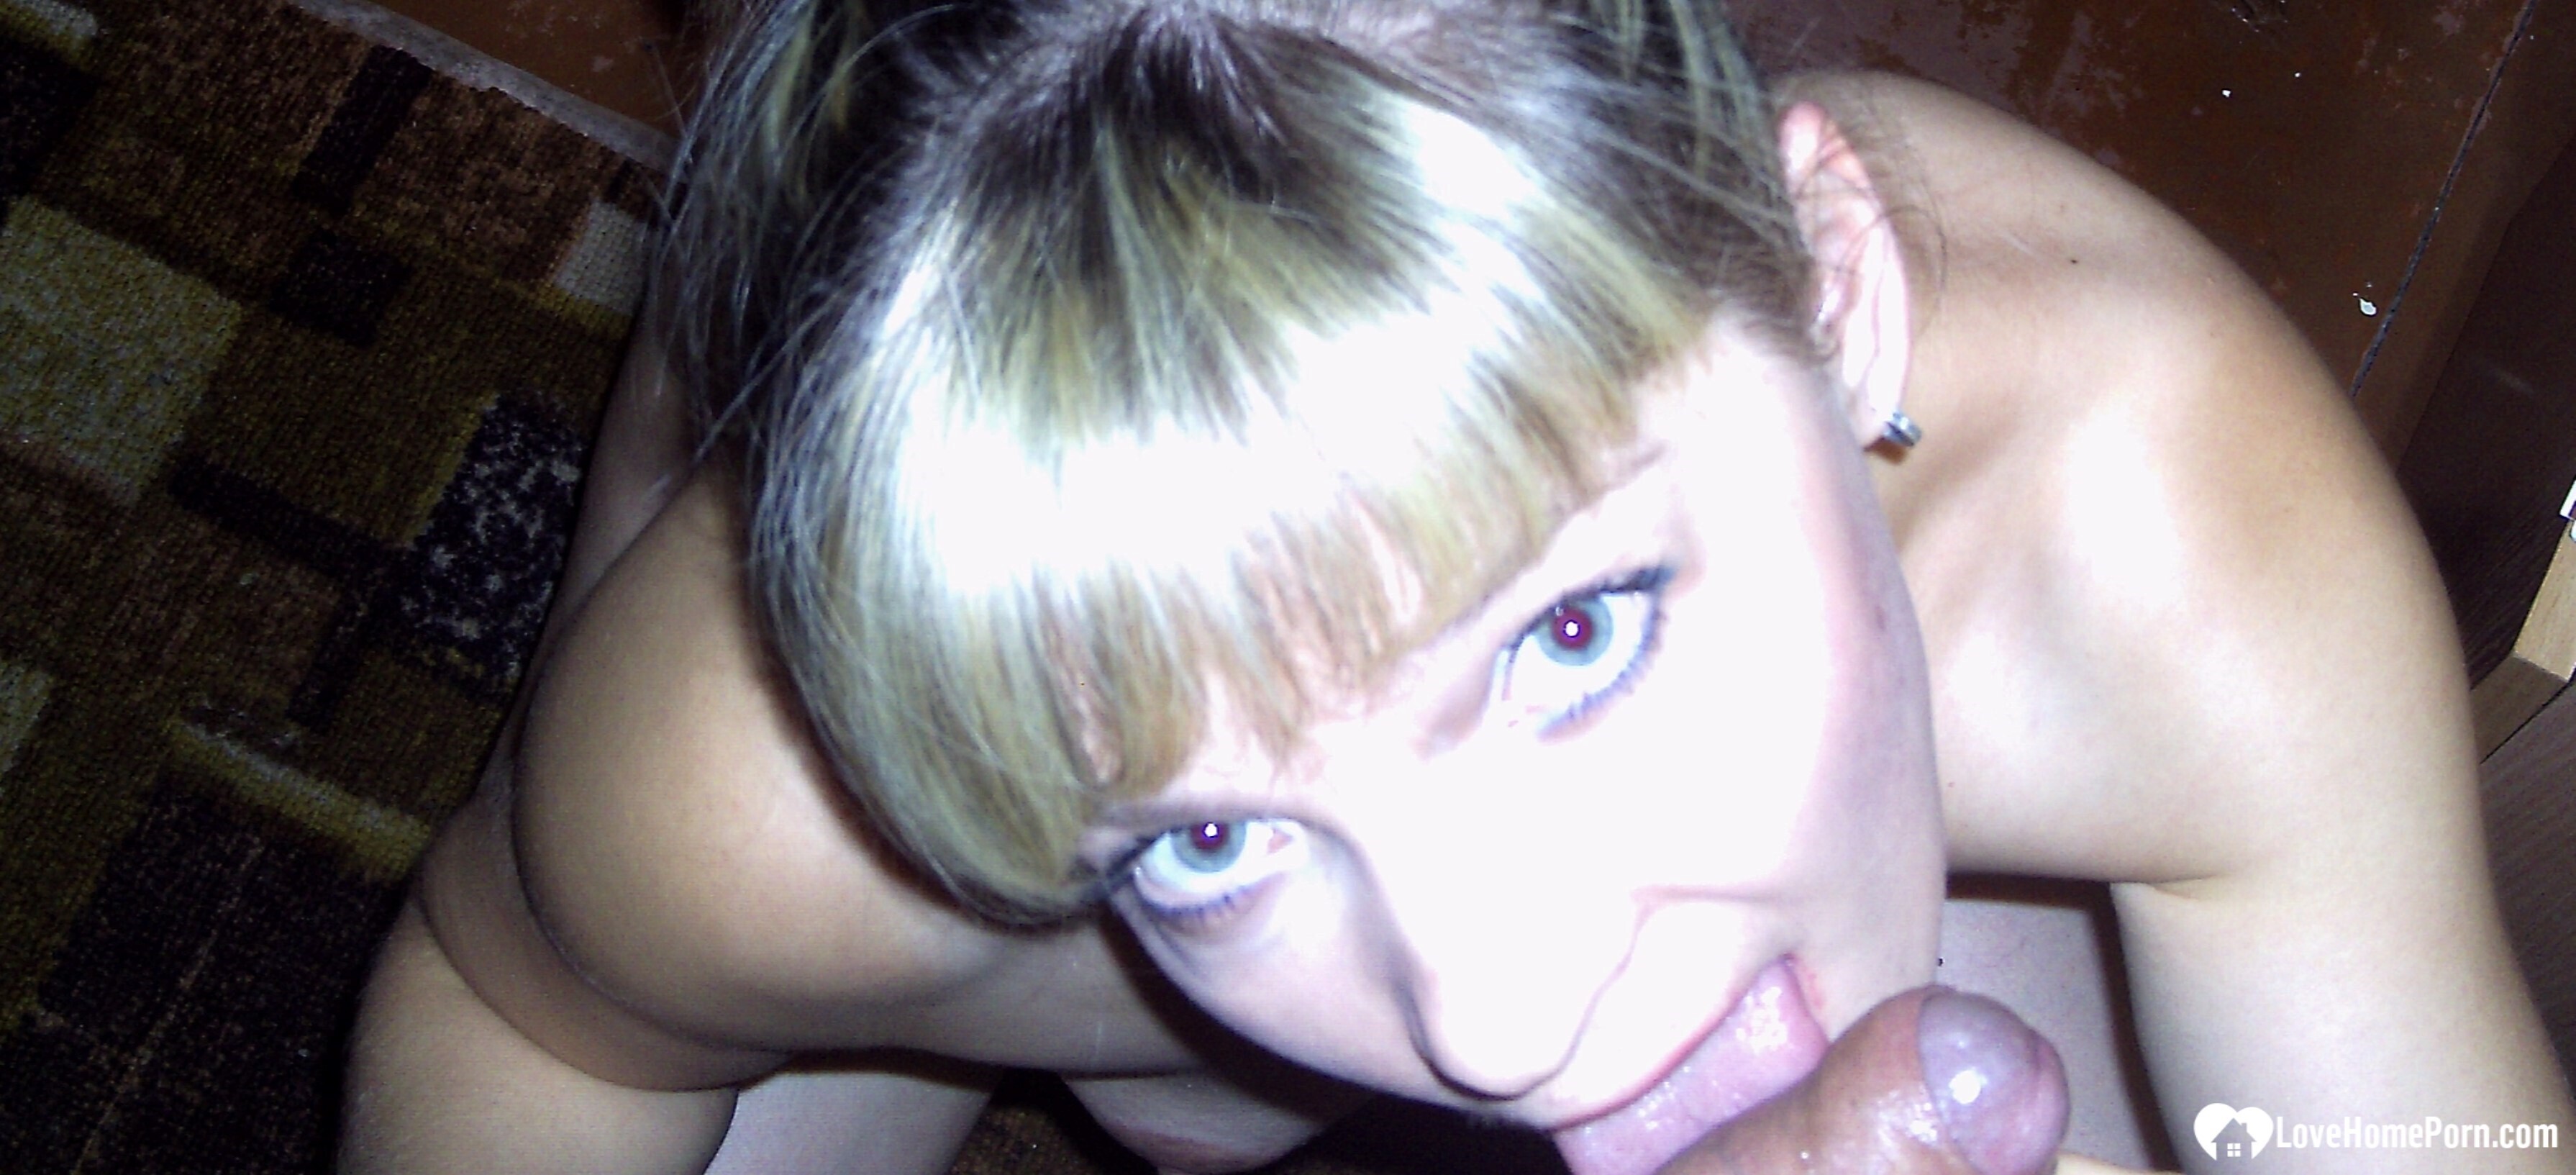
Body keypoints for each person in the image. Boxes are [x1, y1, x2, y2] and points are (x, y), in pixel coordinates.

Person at [338, 1, 2576, 1173]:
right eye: (1204, 836)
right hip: (1011, 938)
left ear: (1834, 287)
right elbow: (518, 1011)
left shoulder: (2161, 528)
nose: (1494, 1023)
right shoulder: (760, 780)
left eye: (1576, 633)